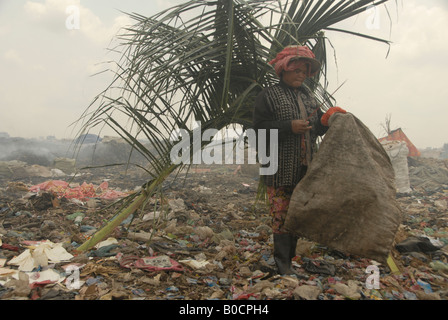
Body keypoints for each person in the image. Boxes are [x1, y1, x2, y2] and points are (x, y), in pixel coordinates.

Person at [252, 45, 346, 275]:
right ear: (283, 69)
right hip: (278, 169)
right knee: (282, 216)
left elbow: (315, 130)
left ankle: (290, 261)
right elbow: (257, 131)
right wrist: (288, 127)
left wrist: (327, 119)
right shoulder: (269, 96)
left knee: (296, 216)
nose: (301, 74)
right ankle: (283, 265)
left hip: (305, 170)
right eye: (297, 69)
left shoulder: (308, 96)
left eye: (305, 70)